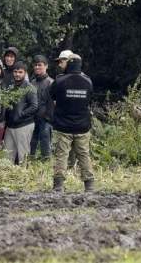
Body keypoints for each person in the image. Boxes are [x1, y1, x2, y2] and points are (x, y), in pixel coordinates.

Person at [50, 53, 94, 192]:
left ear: (68, 64)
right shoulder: (88, 81)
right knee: (84, 155)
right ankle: (89, 186)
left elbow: (52, 96)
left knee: (61, 155)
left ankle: (58, 186)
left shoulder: (60, 81)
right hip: (82, 126)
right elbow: (89, 100)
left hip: (63, 126)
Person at [4, 61, 38, 164]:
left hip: (24, 125)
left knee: (23, 157)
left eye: (20, 72)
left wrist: (20, 114)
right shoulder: (10, 87)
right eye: (15, 71)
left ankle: (25, 177)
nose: (17, 74)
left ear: (25, 73)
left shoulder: (29, 88)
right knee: (7, 156)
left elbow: (34, 106)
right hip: (10, 126)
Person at [30, 55, 54, 160]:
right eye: (35, 65)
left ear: (46, 66)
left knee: (45, 144)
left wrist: (48, 118)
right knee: (31, 143)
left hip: (46, 119)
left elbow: (53, 103)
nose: (37, 67)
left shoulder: (51, 82)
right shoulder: (32, 83)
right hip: (32, 119)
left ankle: (46, 167)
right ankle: (29, 162)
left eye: (40, 65)